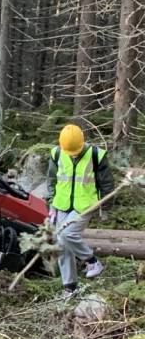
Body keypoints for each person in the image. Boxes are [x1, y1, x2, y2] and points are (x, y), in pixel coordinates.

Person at [45, 124, 112, 299]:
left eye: (75, 150)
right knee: (60, 244)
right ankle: (70, 287)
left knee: (67, 235)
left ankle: (92, 262)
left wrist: (105, 209)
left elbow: (107, 185)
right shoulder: (57, 153)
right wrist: (51, 205)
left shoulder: (96, 155)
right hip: (61, 204)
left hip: (85, 205)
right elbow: (51, 180)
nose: (73, 154)